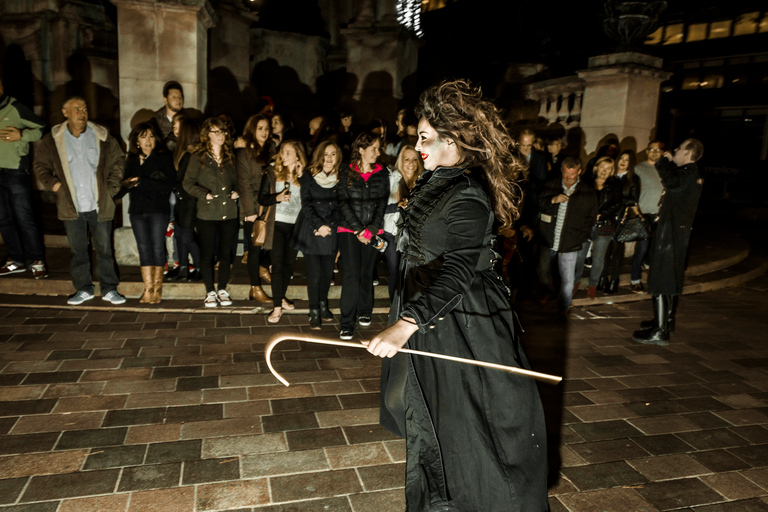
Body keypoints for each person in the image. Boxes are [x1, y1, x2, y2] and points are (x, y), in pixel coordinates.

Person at [368, 79, 548, 511]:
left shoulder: (466, 193)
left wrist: (405, 325)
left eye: (426, 137)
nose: (418, 146)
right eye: (418, 137)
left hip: (460, 320)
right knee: (425, 416)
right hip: (430, 315)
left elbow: (459, 272)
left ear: (454, 140)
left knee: (467, 428)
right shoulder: (437, 182)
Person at [33, 96, 126, 305]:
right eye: (76, 109)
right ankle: (84, 289)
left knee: (104, 249)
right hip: (71, 205)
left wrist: (111, 187)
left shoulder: (101, 135)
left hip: (98, 202)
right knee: (78, 250)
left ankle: (110, 288)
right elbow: (40, 165)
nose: (82, 113)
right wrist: (56, 186)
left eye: (84, 109)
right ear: (65, 113)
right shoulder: (53, 139)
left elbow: (119, 159)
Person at [633, 138, 704, 346]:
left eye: (680, 148)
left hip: (670, 235)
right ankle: (665, 320)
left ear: (688, 152)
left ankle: (660, 331)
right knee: (669, 279)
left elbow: (671, 182)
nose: (675, 150)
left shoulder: (686, 174)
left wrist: (664, 161)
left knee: (660, 281)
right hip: (675, 233)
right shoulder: (691, 175)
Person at [336, 131, 389, 340]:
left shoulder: (382, 173)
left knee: (367, 273)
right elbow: (343, 202)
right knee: (351, 275)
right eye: (373, 148)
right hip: (349, 230)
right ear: (361, 149)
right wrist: (359, 229)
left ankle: (365, 311)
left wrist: (371, 229)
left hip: (373, 230)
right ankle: (346, 322)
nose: (378, 152)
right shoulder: (346, 171)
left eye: (378, 148)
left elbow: (382, 202)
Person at [182, 117, 239, 308]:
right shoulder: (198, 157)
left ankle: (222, 288)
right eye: (216, 132)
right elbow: (187, 183)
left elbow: (238, 181)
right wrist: (203, 193)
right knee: (207, 254)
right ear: (207, 134)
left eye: (223, 131)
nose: (220, 135)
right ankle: (209, 291)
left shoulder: (231, 156)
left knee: (225, 254)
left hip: (229, 213)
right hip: (207, 213)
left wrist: (237, 191)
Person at [117, 122, 176, 304]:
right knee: (143, 249)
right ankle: (148, 288)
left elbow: (169, 185)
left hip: (158, 210)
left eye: (151, 136)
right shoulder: (132, 160)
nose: (148, 141)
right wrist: (120, 188)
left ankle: (157, 289)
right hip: (137, 211)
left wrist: (142, 181)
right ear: (136, 141)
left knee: (158, 247)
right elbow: (123, 186)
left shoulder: (163, 158)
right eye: (143, 137)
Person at [290, 141, 341, 329]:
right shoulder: (308, 175)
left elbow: (342, 204)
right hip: (311, 227)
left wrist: (330, 226)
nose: (329, 158)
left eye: (333, 154)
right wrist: (319, 225)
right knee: (315, 273)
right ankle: (313, 311)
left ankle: (322, 304)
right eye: (325, 154)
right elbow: (306, 204)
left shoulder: (342, 177)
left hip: (331, 228)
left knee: (328, 272)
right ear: (320, 156)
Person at [0, 77, 48, 279]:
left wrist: (22, 135)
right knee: (2, 219)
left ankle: (37, 260)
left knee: (24, 216)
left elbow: (42, 128)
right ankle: (17, 260)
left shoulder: (16, 108)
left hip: (15, 171)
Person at [538, 157, 598, 312]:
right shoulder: (552, 184)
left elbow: (591, 218)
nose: (569, 179)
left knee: (568, 279)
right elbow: (539, 204)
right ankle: (547, 293)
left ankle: (564, 307)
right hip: (548, 238)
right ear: (562, 171)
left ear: (579, 172)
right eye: (565, 175)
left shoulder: (588, 193)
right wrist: (552, 200)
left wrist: (581, 236)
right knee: (542, 270)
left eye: (572, 176)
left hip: (570, 241)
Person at [258, 140, 305, 323]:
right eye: (282, 153)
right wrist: (276, 197)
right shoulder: (272, 173)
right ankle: (277, 308)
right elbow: (262, 198)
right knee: (277, 266)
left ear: (297, 156)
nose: (283, 156)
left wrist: (302, 176)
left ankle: (281, 297)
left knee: (288, 266)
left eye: (287, 153)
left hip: (296, 227)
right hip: (277, 225)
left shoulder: (305, 177)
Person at [237, 114, 275, 304]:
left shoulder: (272, 149)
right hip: (253, 206)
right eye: (260, 128)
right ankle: (255, 288)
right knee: (254, 248)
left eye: (267, 128)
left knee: (273, 243)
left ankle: (262, 266)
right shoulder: (244, 154)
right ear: (252, 129)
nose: (264, 132)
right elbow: (243, 185)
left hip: (271, 204)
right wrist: (250, 212)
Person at [381, 144, 423, 300]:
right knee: (396, 271)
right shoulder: (392, 179)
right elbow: (379, 208)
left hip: (413, 234)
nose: (411, 164)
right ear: (400, 160)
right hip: (392, 233)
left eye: (414, 159)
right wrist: (397, 206)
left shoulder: (422, 181)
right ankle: (395, 309)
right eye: (407, 159)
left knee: (410, 272)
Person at [581, 157, 622, 299]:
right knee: (580, 256)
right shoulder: (586, 182)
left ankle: (592, 286)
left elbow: (617, 205)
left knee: (598, 259)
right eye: (602, 167)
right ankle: (574, 284)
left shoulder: (615, 185)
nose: (604, 171)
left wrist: (601, 215)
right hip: (586, 225)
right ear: (596, 168)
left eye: (608, 168)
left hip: (604, 225)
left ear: (612, 171)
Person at [602, 149, 640, 295]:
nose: (623, 162)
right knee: (604, 249)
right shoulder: (609, 174)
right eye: (622, 158)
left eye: (627, 160)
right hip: (606, 216)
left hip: (621, 217)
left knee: (617, 251)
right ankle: (602, 278)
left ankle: (614, 280)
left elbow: (633, 199)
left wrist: (617, 200)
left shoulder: (632, 179)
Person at [630, 141, 665, 293]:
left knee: (658, 246)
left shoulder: (666, 169)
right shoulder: (638, 169)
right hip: (643, 213)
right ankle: (635, 280)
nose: (654, 152)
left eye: (658, 150)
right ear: (646, 151)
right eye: (651, 149)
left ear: (663, 152)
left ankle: (649, 264)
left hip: (661, 213)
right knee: (641, 248)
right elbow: (632, 190)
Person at [171, 116, 202, 282]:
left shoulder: (193, 155)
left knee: (187, 237)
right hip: (182, 200)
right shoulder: (183, 152)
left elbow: (188, 180)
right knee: (179, 234)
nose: (175, 132)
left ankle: (199, 267)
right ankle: (183, 267)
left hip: (189, 201)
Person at [154, 81, 184, 151]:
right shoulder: (156, 122)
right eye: (174, 97)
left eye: (180, 97)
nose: (178, 100)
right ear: (165, 100)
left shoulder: (188, 120)